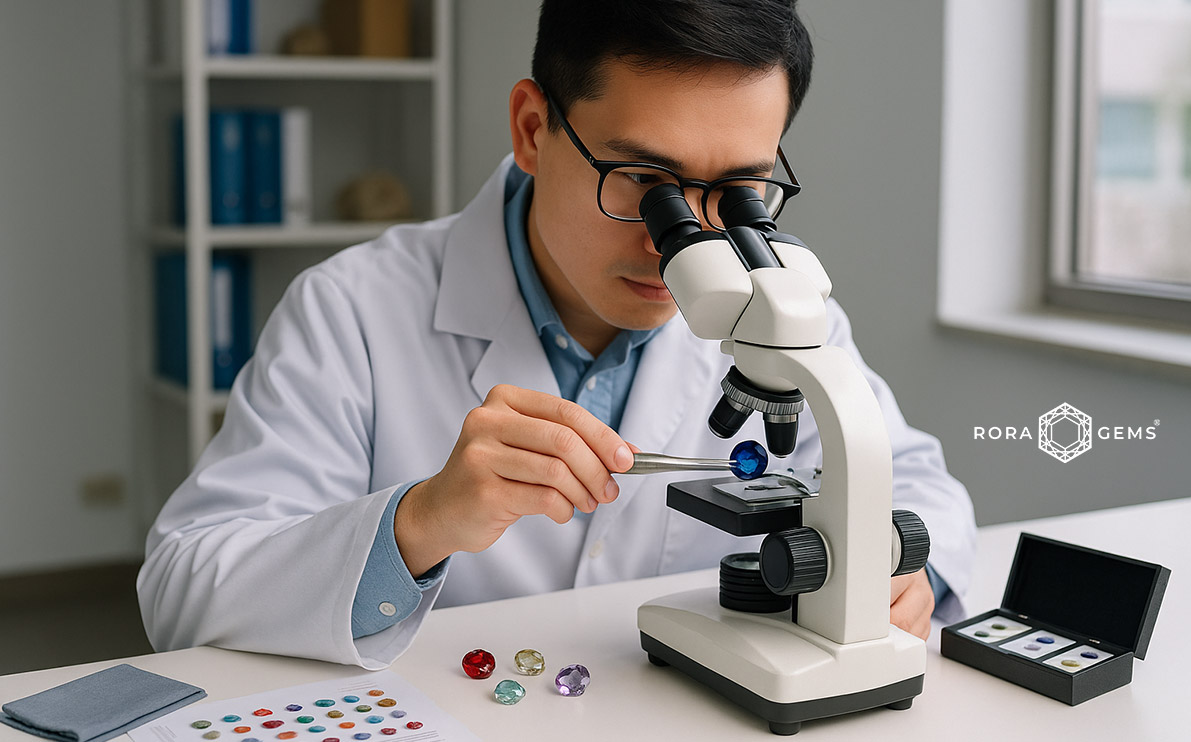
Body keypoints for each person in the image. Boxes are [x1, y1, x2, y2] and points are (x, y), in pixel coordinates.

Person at [138, 0, 976, 670]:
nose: (676, 240)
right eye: (644, 182)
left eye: (738, 188)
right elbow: (183, 587)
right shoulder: (350, 309)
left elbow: (917, 483)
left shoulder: (782, 302)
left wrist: (905, 572)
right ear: (534, 129)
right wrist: (420, 523)